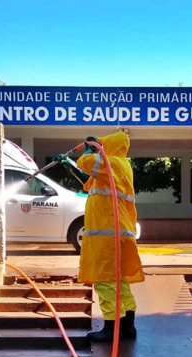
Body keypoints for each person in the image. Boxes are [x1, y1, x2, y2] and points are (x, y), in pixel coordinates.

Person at [55, 131, 143, 343]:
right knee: (119, 281)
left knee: (104, 281)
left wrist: (90, 149)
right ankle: (128, 326)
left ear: (110, 147)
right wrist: (68, 163)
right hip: (115, 232)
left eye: (103, 145)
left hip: (108, 235)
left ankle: (111, 329)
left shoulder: (114, 163)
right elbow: (88, 177)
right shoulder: (114, 168)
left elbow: (88, 163)